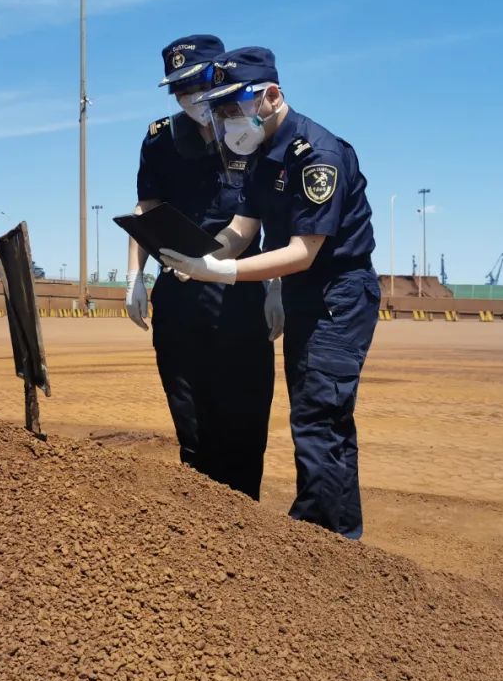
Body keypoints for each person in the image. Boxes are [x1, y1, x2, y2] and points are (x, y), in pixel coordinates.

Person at [160, 47, 380, 539]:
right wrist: (203, 258)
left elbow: (303, 251)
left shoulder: (317, 155)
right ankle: (341, 537)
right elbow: (243, 226)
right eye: (219, 111)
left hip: (337, 295)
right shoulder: (259, 156)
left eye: (232, 107)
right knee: (322, 415)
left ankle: (318, 537)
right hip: (307, 296)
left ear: (271, 96)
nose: (225, 119)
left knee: (318, 417)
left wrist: (220, 273)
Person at [125, 34, 280, 500]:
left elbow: (259, 217)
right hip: (178, 292)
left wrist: (273, 285)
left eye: (196, 83)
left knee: (244, 421)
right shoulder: (161, 141)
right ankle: (202, 527)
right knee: (190, 421)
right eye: (178, 88)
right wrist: (135, 275)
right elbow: (146, 208)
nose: (187, 97)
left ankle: (243, 525)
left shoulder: (251, 130)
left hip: (239, 291)